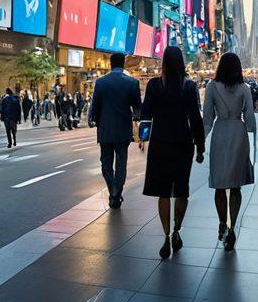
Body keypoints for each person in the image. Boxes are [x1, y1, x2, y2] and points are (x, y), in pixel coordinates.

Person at [141, 45, 205, 259]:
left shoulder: (154, 85)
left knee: (163, 191)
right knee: (181, 190)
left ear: (164, 63)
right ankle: (178, 230)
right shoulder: (189, 87)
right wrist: (200, 146)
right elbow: (195, 118)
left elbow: (146, 113)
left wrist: (142, 137)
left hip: (160, 142)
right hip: (183, 142)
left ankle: (166, 236)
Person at [203, 52, 256, 250]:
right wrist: (252, 136)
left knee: (219, 184)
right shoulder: (245, 88)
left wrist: (200, 143)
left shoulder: (211, 87)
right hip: (238, 133)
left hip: (221, 132)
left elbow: (207, 117)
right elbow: (250, 118)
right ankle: (233, 227)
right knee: (236, 186)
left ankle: (222, 223)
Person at [88, 51, 142, 210]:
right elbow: (138, 107)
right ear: (123, 64)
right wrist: (137, 119)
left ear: (110, 65)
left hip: (104, 129)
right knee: (121, 162)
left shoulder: (100, 83)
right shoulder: (132, 83)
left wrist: (92, 118)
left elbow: (95, 105)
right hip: (123, 129)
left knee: (105, 162)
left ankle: (113, 190)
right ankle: (116, 192)